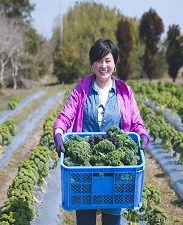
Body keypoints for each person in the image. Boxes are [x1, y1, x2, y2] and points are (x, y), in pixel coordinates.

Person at [53, 38, 149, 225]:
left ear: (114, 63)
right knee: (85, 219)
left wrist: (144, 137)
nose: (103, 65)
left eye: (108, 60)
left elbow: (137, 122)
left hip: (115, 168)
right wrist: (58, 133)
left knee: (112, 217)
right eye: (99, 60)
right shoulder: (81, 89)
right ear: (92, 64)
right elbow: (65, 117)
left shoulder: (124, 92)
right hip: (85, 166)